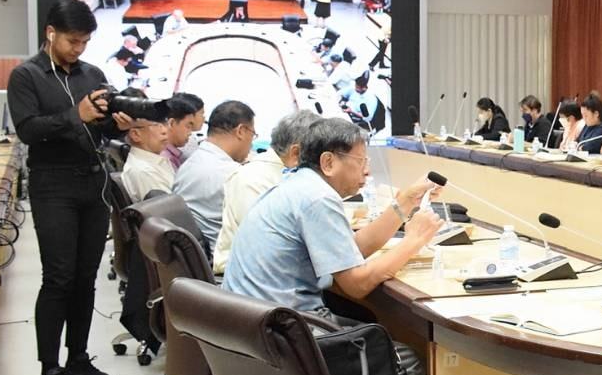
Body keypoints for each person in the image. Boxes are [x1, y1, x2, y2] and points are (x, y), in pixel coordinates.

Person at [6, 0, 133, 375]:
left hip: (92, 183)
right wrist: (75, 115)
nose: (79, 49)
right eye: (72, 41)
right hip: (52, 184)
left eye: (85, 42)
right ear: (51, 33)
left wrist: (119, 125)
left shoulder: (92, 74)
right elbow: (28, 129)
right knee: (58, 277)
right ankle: (50, 372)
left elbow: (102, 131)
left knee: (85, 276)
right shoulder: (26, 76)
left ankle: (78, 357)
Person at [223, 118, 441, 314]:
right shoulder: (318, 198)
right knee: (388, 341)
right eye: (361, 161)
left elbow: (350, 250)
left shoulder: (299, 184)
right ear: (328, 162)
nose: (367, 171)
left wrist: (406, 202)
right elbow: (357, 285)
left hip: (249, 322)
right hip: (282, 328)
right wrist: (414, 240)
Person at [213, 109, 319, 274]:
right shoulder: (252, 179)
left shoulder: (286, 172)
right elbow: (268, 244)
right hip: (247, 275)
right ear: (296, 152)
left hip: (276, 269)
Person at [172, 99, 255, 249]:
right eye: (253, 134)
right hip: (223, 258)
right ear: (241, 131)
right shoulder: (234, 175)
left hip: (198, 254)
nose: (251, 143)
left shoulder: (189, 164)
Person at [119, 115, 175, 201]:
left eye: (164, 124)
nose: (164, 131)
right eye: (156, 125)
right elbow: (171, 207)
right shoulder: (144, 171)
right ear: (136, 134)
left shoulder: (154, 160)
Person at [162, 92, 205, 171]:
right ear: (172, 123)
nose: (190, 133)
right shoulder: (164, 160)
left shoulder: (172, 155)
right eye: (188, 126)